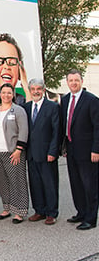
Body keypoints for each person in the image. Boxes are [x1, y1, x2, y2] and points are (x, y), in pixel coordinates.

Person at [61, 69, 99, 230]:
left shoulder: (92, 100)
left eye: (76, 80)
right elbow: (65, 125)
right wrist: (63, 147)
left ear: (81, 81)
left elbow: (98, 127)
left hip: (88, 151)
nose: (73, 83)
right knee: (76, 184)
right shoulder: (65, 100)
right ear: (67, 82)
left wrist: (96, 150)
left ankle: (91, 218)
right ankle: (81, 212)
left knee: (89, 185)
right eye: (71, 80)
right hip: (71, 149)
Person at [23, 78, 60, 225]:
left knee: (49, 183)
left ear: (43, 90)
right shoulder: (26, 107)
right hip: (31, 154)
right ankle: (39, 210)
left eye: (39, 89)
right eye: (33, 89)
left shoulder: (52, 107)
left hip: (47, 153)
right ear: (30, 91)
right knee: (35, 183)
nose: (36, 91)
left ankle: (51, 212)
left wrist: (53, 152)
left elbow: (57, 131)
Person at [0, 83, 29, 224]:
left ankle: (20, 211)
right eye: (3, 92)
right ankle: (6, 208)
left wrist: (19, 150)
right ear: (0, 94)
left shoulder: (18, 111)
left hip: (12, 152)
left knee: (17, 181)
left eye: (9, 93)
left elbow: (24, 131)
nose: (6, 95)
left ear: (13, 95)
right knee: (2, 182)